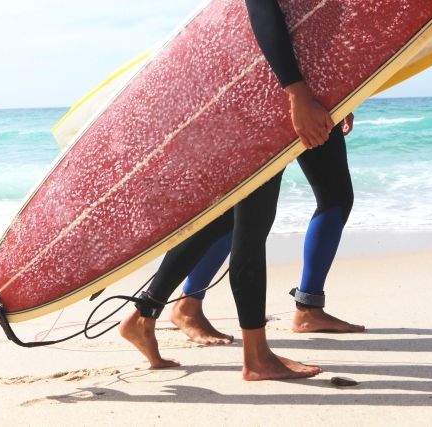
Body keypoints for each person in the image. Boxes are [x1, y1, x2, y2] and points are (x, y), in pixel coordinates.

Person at [120, 0, 334, 380]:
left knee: (224, 221)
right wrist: (297, 93)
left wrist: (334, 92)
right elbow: (263, 15)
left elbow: (309, 25)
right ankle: (256, 358)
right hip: (258, 95)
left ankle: (145, 315)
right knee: (251, 225)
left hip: (264, 92)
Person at [169, 111, 363, 346]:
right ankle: (182, 305)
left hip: (316, 99)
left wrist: (343, 98)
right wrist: (296, 94)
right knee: (244, 207)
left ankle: (309, 307)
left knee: (336, 197)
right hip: (287, 100)